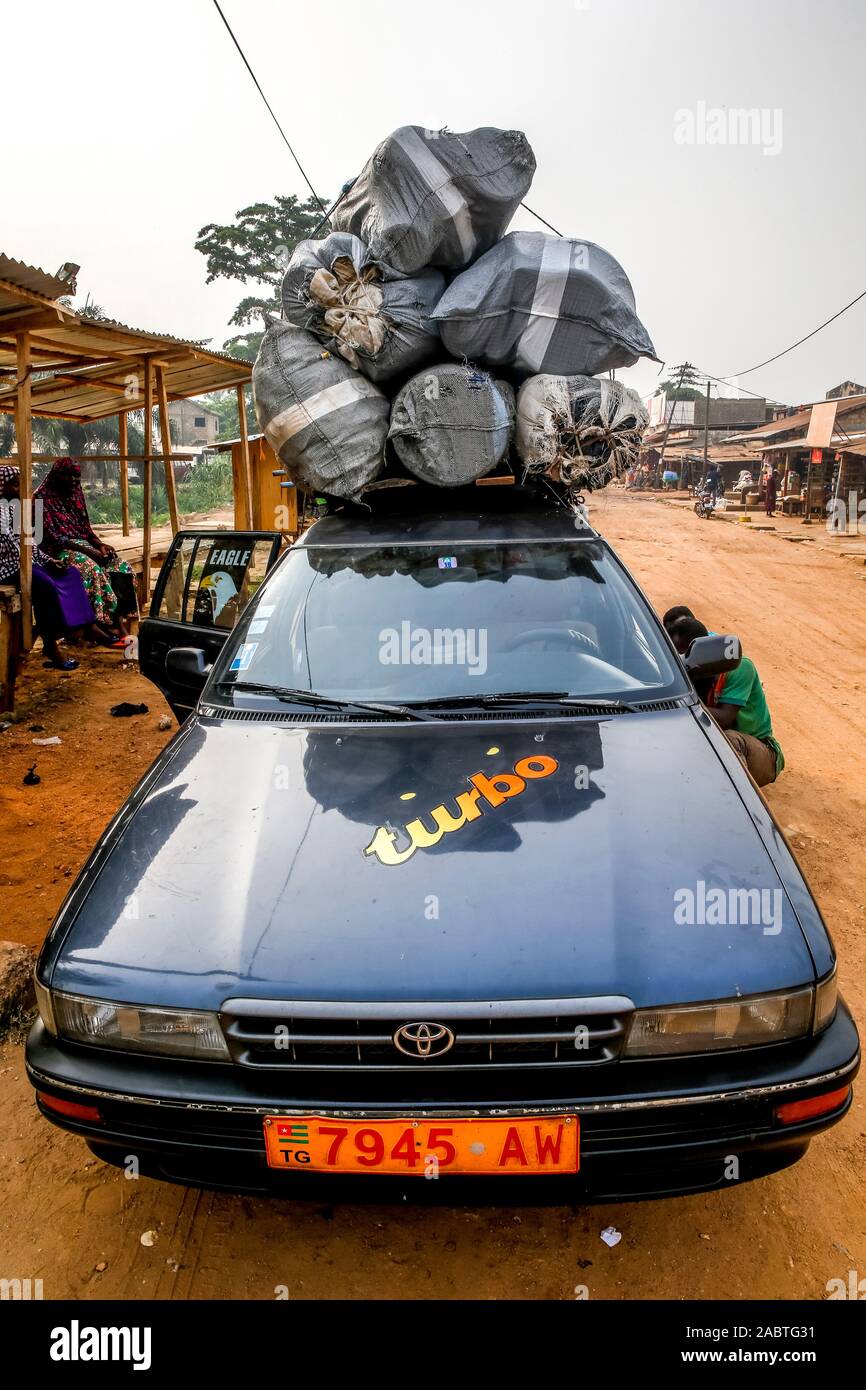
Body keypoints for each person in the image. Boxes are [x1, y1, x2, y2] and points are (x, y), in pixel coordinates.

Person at [667, 610, 784, 787]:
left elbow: (725, 718)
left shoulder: (738, 667)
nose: (682, 663)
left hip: (758, 751)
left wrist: (676, 701)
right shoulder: (687, 663)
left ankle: (740, 802)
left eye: (684, 657)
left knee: (729, 740)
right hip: (716, 744)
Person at [0, 464, 98, 670]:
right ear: (2, 487)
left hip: (25, 563)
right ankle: (50, 645)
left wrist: (48, 560)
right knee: (45, 586)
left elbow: (30, 543)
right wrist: (30, 559)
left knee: (70, 573)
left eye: (19, 484)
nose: (18, 489)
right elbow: (10, 544)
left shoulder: (17, 508)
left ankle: (83, 626)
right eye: (13, 485)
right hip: (5, 569)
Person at [35, 458, 138, 637]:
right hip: (57, 552)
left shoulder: (75, 495)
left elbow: (86, 530)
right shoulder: (40, 498)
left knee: (122, 566)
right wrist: (90, 552)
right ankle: (98, 624)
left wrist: (101, 545)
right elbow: (53, 538)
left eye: (77, 476)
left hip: (85, 546)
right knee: (92, 568)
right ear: (58, 476)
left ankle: (118, 620)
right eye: (70, 476)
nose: (75, 480)